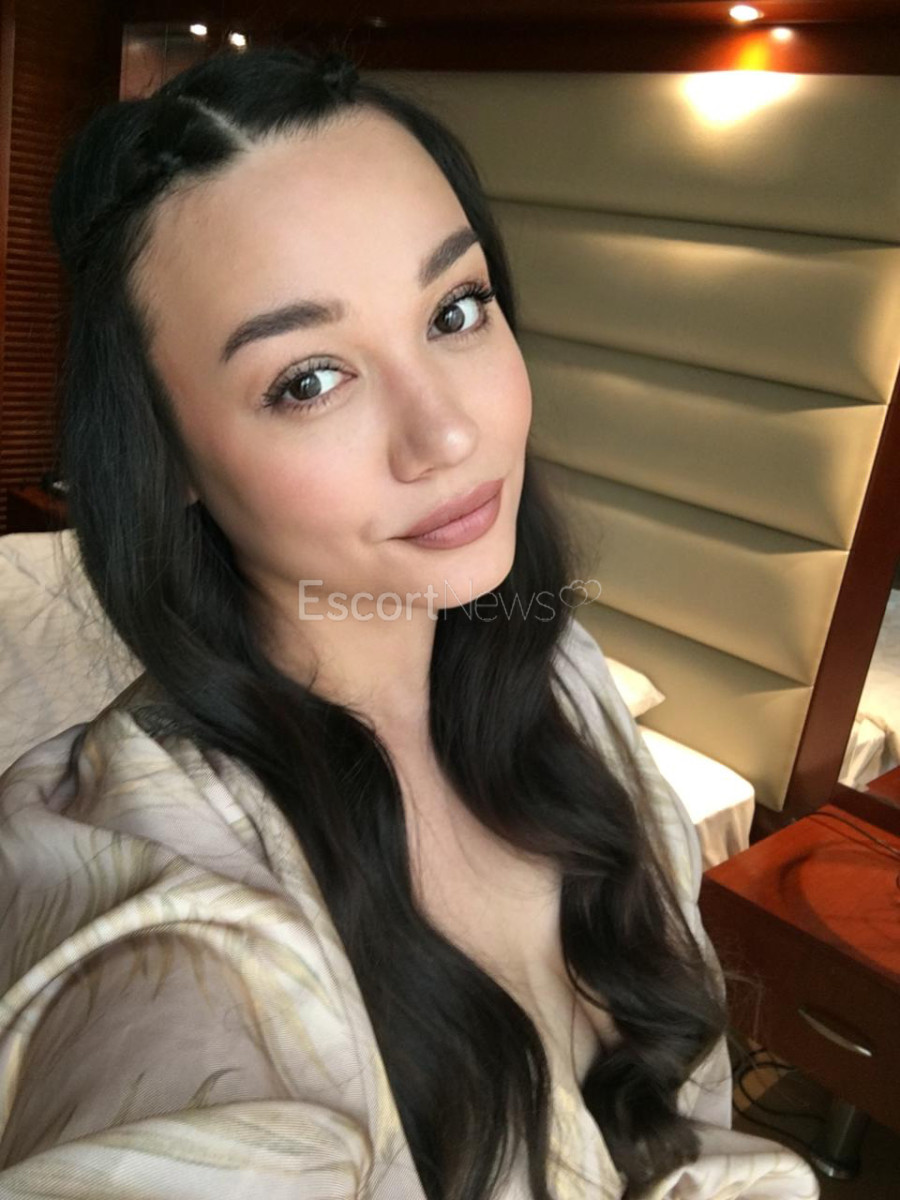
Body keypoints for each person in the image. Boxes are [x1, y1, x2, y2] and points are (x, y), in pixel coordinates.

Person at [0, 45, 819, 1200]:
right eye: (308, 379)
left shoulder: (565, 681)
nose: (447, 435)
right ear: (165, 454)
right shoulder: (162, 899)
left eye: (455, 309)